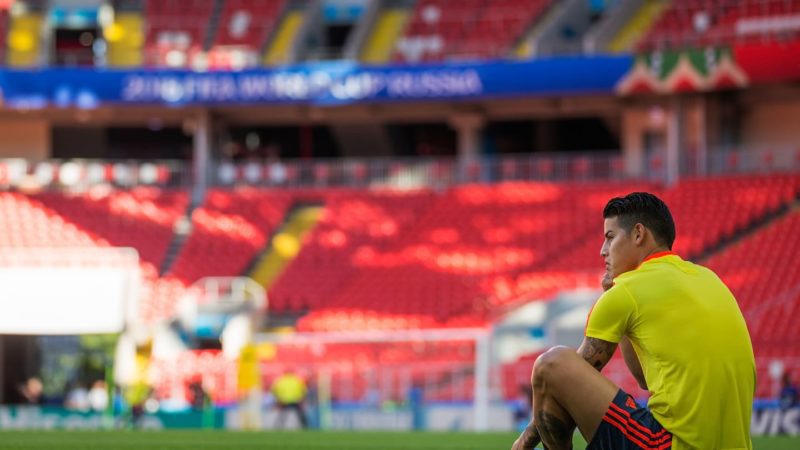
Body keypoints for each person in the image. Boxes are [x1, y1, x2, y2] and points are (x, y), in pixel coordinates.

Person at [512, 192, 755, 450]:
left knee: (552, 363)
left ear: (638, 234)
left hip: (671, 444)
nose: (602, 251)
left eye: (610, 237)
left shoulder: (627, 290)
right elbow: (645, 381)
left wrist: (523, 442)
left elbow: (558, 383)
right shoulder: (709, 278)